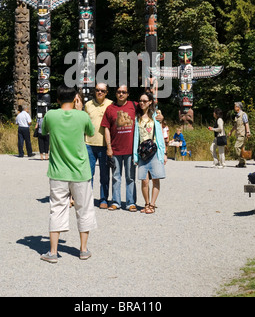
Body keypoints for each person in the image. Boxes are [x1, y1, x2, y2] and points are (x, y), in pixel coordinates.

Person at [40, 85, 97, 263]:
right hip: (80, 171)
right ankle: (83, 249)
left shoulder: (50, 115)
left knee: (56, 209)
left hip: (58, 171)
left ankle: (53, 252)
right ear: (75, 99)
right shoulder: (82, 116)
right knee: (84, 209)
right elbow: (91, 132)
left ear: (57, 100)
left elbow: (43, 131)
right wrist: (80, 110)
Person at [101, 84, 163, 212]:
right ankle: (116, 202)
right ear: (115, 93)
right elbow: (106, 128)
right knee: (116, 177)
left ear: (128, 94)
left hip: (131, 149)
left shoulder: (134, 106)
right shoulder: (110, 109)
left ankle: (130, 202)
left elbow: (150, 110)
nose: (121, 94)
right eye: (119, 91)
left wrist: (160, 116)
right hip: (115, 148)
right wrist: (108, 147)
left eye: (124, 92)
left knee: (130, 177)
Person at [133, 92, 167, 214]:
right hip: (142, 152)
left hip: (155, 151)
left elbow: (160, 136)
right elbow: (136, 138)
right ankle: (146, 203)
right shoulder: (137, 117)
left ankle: (152, 204)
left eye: (145, 101)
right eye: (140, 101)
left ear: (150, 102)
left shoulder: (156, 117)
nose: (142, 103)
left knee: (156, 178)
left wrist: (164, 153)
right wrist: (135, 155)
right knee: (144, 180)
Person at [85, 83, 113, 209]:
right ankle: (87, 199)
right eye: (97, 90)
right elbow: (83, 123)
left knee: (104, 175)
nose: (100, 92)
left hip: (104, 145)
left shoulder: (111, 104)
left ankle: (103, 199)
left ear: (106, 92)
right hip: (89, 144)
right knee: (87, 175)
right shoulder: (88, 105)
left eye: (102, 90)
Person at [228, 102, 251, 168]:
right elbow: (235, 125)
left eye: (235, 106)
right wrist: (231, 131)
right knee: (241, 148)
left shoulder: (243, 114)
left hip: (242, 134)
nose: (234, 108)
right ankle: (241, 163)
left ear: (238, 107)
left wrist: (248, 132)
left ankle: (242, 161)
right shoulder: (237, 115)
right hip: (238, 134)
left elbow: (246, 123)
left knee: (236, 147)